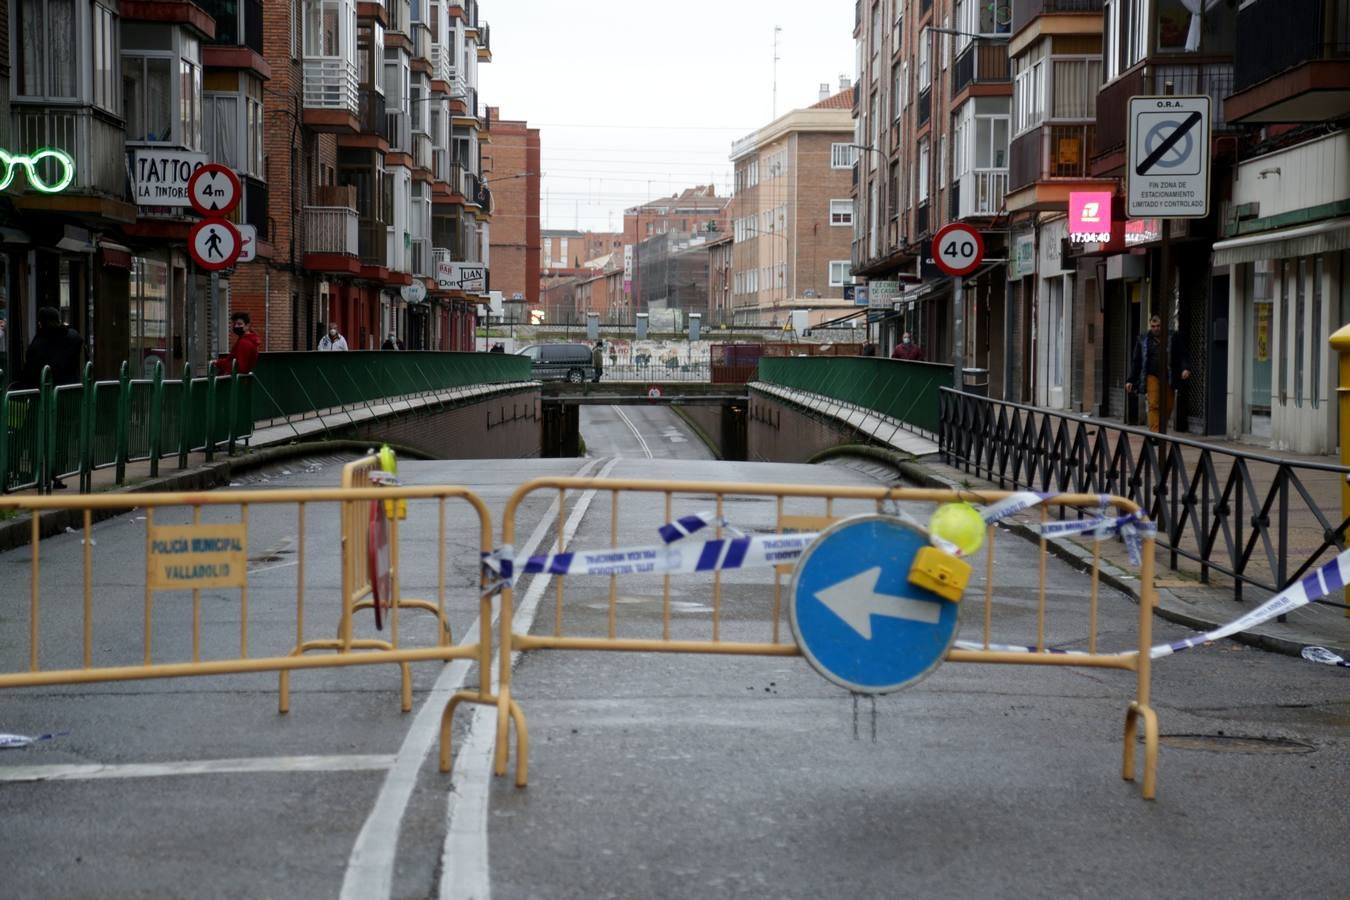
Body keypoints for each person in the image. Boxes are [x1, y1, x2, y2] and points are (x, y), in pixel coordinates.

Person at [20, 306, 84, 489]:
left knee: (37, 434)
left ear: (41, 322)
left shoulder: (40, 342)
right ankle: (58, 475)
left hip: (41, 396)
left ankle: (37, 474)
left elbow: (30, 369)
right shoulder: (72, 338)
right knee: (61, 436)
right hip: (65, 396)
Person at [1125, 314, 1191, 433]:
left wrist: (1185, 368)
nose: (1156, 328)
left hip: (1169, 375)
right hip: (1152, 375)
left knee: (1168, 405)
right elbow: (1136, 361)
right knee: (1154, 404)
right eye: (1153, 326)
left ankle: (1161, 429)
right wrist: (1130, 380)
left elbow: (1182, 354)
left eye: (1158, 326)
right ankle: (1155, 434)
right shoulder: (1143, 339)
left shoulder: (1173, 337)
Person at [20, 306, 83, 389]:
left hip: (48, 394)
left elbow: (29, 375)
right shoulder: (73, 337)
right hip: (72, 391)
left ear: (41, 324)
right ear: (58, 320)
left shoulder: (37, 346)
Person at [216, 311, 261, 376]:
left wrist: (219, 363)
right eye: (234, 324)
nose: (236, 326)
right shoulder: (248, 341)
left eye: (239, 324)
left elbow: (239, 367)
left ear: (247, 325)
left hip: (232, 381)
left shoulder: (244, 343)